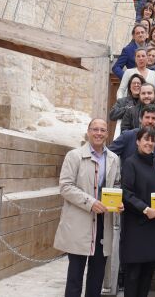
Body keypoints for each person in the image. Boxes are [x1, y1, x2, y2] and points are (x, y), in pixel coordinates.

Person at [54, 119, 122, 297]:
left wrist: (117, 201)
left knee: (97, 276)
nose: (99, 133)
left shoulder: (114, 159)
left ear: (107, 134)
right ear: (88, 131)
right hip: (80, 222)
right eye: (95, 130)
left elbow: (116, 183)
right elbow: (65, 186)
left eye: (103, 130)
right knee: (75, 276)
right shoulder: (74, 156)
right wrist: (90, 203)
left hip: (103, 222)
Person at [121, 127, 155, 297]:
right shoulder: (130, 162)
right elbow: (126, 193)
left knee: (147, 275)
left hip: (154, 229)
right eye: (146, 139)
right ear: (137, 141)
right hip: (136, 228)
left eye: (152, 140)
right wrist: (145, 209)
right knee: (133, 275)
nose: (149, 143)